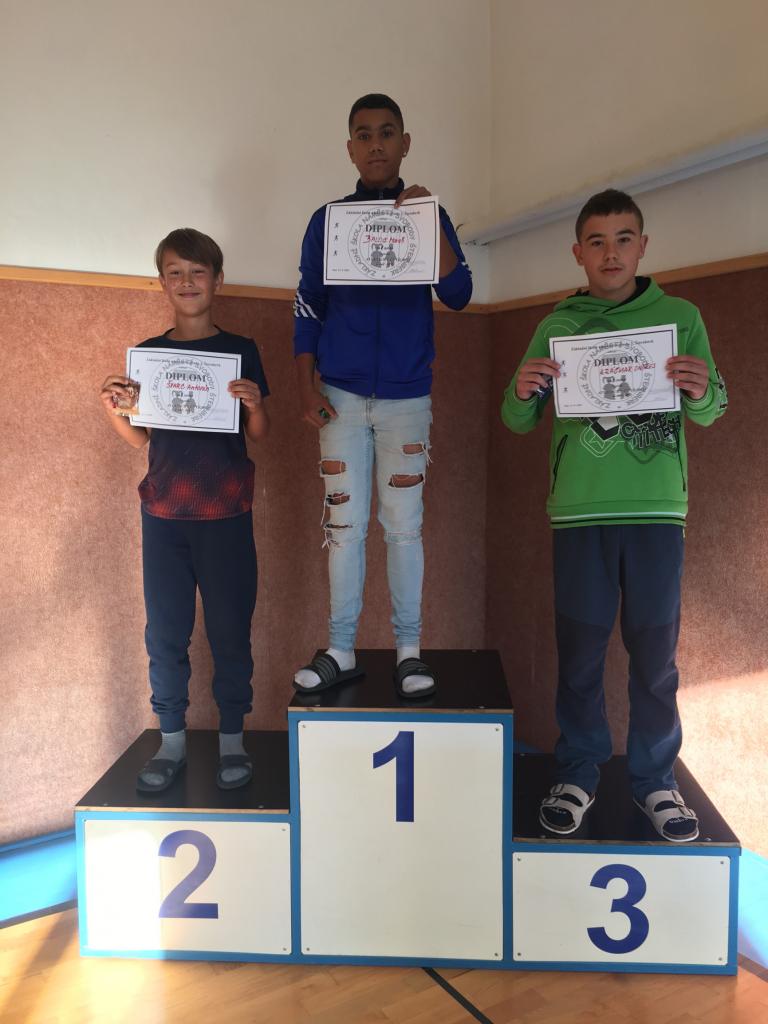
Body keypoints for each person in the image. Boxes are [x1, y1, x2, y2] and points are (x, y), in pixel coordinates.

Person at [502, 189, 727, 841]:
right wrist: (522, 389)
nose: (611, 253)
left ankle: (656, 781)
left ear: (642, 247)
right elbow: (517, 418)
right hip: (579, 515)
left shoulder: (679, 318)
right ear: (578, 253)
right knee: (579, 656)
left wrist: (700, 386)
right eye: (597, 242)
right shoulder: (558, 325)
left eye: (623, 239)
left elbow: (712, 409)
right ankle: (578, 772)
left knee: (655, 659)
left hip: (656, 513)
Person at [292, 93, 472, 698]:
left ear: (405, 143)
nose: (375, 145)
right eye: (364, 135)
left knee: (403, 528)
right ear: (350, 148)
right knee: (343, 527)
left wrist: (429, 217)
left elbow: (459, 294)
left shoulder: (427, 217)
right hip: (339, 396)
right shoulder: (327, 221)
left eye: (387, 133)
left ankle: (409, 652)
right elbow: (309, 304)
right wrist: (305, 384)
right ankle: (340, 648)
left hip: (406, 398)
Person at [99, 228, 270, 792]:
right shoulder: (148, 356)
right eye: (176, 272)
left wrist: (254, 404)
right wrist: (114, 410)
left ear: (217, 280)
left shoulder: (241, 350)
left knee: (230, 632)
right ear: (162, 282)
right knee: (166, 634)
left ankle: (232, 741)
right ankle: (170, 741)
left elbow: (259, 433)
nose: (187, 282)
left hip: (226, 515)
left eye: (198, 272)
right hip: (164, 517)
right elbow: (140, 438)